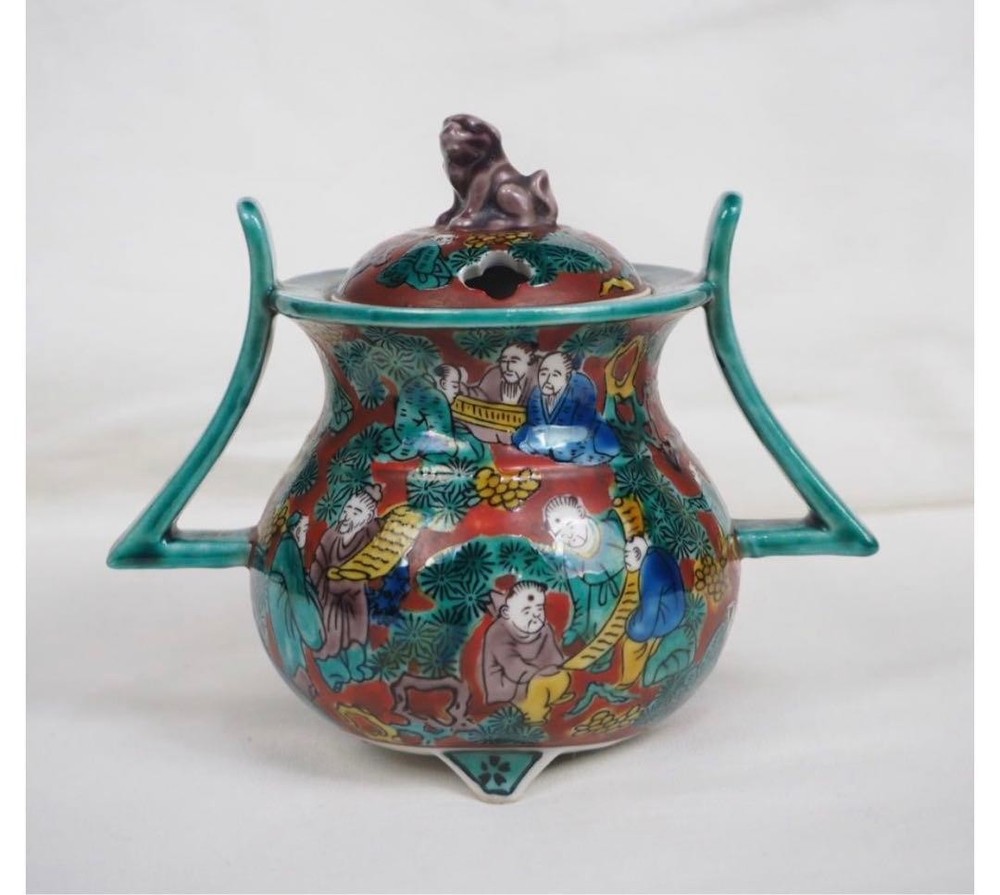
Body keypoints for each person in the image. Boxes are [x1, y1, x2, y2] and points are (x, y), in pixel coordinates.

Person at [309, 485, 383, 659]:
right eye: (348, 509)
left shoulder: (370, 538)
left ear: (368, 518)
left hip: (353, 599)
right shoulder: (331, 536)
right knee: (330, 634)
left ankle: (356, 661)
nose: (349, 515)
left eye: (357, 512)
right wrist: (315, 588)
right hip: (328, 598)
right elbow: (318, 564)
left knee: (354, 639)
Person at [481, 581, 572, 723]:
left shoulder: (543, 628)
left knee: (563, 676)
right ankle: (535, 712)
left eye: (539, 609)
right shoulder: (498, 633)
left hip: (540, 676)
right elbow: (512, 666)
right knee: (540, 685)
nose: (536, 616)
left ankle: (548, 696)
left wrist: (558, 668)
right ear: (507, 612)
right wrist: (538, 676)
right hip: (510, 684)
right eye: (527, 611)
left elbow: (553, 655)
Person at [512, 351, 620, 464]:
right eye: (543, 373)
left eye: (555, 375)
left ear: (567, 377)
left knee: (606, 443)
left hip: (580, 440)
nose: (547, 379)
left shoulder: (583, 389)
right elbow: (534, 425)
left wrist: (557, 434)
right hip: (547, 442)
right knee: (521, 435)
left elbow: (582, 429)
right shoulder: (536, 395)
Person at [381, 364, 484, 463]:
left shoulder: (416, 382)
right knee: (476, 450)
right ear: (443, 383)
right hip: (414, 446)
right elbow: (446, 441)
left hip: (403, 436)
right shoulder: (436, 398)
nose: (457, 392)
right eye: (454, 386)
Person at [266, 512, 324, 680]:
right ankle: (297, 669)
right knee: (290, 638)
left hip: (279, 601)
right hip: (285, 603)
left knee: (287, 638)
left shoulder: (287, 544)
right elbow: (296, 584)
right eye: (304, 529)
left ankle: (297, 669)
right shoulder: (289, 546)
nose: (305, 534)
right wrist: (312, 630)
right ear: (296, 530)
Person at [464, 342, 539, 444]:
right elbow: (478, 395)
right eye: (504, 361)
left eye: (514, 361)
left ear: (530, 363)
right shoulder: (494, 375)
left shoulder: (538, 382)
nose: (507, 367)